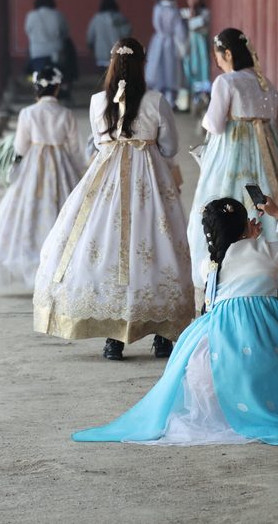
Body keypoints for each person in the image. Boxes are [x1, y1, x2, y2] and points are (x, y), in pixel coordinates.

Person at [72, 197, 278, 446]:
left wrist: (249, 237)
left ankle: (228, 408)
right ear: (246, 226)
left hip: (212, 357)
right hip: (260, 342)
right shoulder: (264, 250)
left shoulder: (213, 265)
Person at [32, 38, 195, 361]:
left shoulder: (97, 102)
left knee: (108, 250)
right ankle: (162, 336)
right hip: (149, 182)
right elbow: (170, 147)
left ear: (110, 64)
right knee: (155, 248)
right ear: (143, 63)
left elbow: (97, 141)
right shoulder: (156, 100)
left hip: (105, 182)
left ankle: (113, 338)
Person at [186, 28, 278, 287]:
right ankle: (274, 271)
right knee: (269, 207)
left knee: (225, 205)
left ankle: (227, 271)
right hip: (270, 160)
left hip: (233, 155)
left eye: (218, 56)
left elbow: (215, 124)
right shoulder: (267, 83)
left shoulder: (226, 82)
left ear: (228, 54)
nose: (217, 62)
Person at [0, 66, 85, 292]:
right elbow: (76, 149)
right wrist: (82, 174)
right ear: (57, 88)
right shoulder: (66, 114)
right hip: (61, 165)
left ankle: (30, 263)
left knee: (28, 213)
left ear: (37, 88)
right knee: (62, 212)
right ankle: (59, 266)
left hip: (33, 166)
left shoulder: (27, 114)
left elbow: (20, 147)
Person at [144, 0, 187, 108]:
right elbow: (181, 31)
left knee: (157, 68)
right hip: (170, 42)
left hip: (158, 40)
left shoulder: (157, 8)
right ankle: (170, 100)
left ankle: (157, 98)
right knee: (171, 70)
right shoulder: (174, 11)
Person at [24, 0, 69, 74]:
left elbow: (28, 31)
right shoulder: (58, 15)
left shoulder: (31, 16)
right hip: (56, 52)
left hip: (37, 52)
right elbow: (65, 32)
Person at [180, 0, 212, 106]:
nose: (193, 1)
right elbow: (182, 25)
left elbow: (198, 24)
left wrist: (192, 17)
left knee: (203, 67)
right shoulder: (183, 12)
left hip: (201, 46)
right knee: (188, 67)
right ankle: (189, 98)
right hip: (189, 46)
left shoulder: (205, 12)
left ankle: (202, 96)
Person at [86, 0, 132, 70]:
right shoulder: (120, 17)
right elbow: (128, 32)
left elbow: (90, 35)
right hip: (118, 53)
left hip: (101, 54)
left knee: (104, 77)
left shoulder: (96, 19)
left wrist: (90, 47)